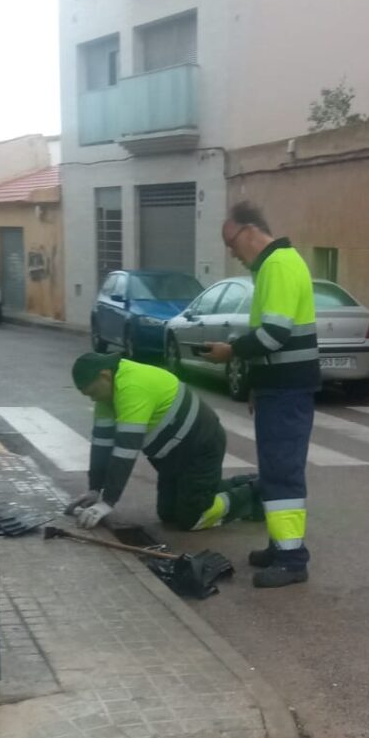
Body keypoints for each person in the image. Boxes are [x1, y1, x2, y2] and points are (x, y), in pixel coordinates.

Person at [204, 202, 321, 588]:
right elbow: (273, 340)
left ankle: (291, 559)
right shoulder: (272, 267)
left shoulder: (280, 265)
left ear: (250, 231)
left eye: (231, 243)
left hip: (288, 390)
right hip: (278, 387)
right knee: (274, 469)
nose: (232, 253)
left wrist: (231, 351)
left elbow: (274, 335)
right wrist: (257, 383)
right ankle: (280, 545)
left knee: (284, 471)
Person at [68, 352, 259, 533]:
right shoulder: (106, 396)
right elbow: (101, 445)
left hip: (201, 447)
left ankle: (256, 492)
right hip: (172, 457)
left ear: (105, 375)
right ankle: (244, 482)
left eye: (93, 392)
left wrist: (108, 501)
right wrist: (94, 489)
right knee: (168, 514)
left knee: (192, 519)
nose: (93, 399)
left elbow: (126, 450)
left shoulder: (132, 387)